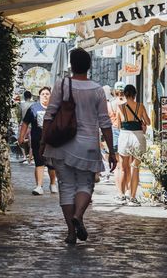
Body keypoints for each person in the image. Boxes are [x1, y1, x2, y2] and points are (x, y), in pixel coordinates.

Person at [41, 48, 117, 245]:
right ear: (89, 66)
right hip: (88, 145)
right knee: (86, 184)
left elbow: (49, 115)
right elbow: (105, 123)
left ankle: (71, 232)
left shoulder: (62, 85)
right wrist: (112, 151)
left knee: (66, 186)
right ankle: (79, 215)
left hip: (62, 144)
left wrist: (43, 142)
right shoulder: (97, 90)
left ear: (71, 66)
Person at [115, 84, 150, 206]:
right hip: (138, 136)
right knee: (135, 167)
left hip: (124, 136)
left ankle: (121, 195)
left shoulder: (120, 107)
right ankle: (133, 198)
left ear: (124, 94)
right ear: (135, 94)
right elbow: (148, 122)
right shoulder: (140, 106)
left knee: (123, 167)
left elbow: (118, 126)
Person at [19, 86, 58, 195]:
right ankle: (39, 186)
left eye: (47, 94)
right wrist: (21, 136)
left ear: (51, 96)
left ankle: (53, 184)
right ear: (39, 96)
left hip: (52, 141)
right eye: (43, 94)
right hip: (38, 140)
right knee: (39, 163)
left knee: (52, 164)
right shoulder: (33, 108)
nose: (45, 96)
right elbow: (25, 123)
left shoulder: (56, 108)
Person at [108, 82, 127, 199]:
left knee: (118, 165)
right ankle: (126, 190)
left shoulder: (110, 104)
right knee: (126, 165)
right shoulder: (127, 103)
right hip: (126, 131)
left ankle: (119, 191)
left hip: (114, 131)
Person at [17, 90, 33, 164]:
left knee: (20, 141)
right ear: (31, 97)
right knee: (32, 142)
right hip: (31, 125)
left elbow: (19, 115)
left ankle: (24, 156)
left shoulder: (21, 105)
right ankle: (30, 157)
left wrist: (18, 123)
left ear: (24, 97)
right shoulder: (34, 104)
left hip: (23, 124)